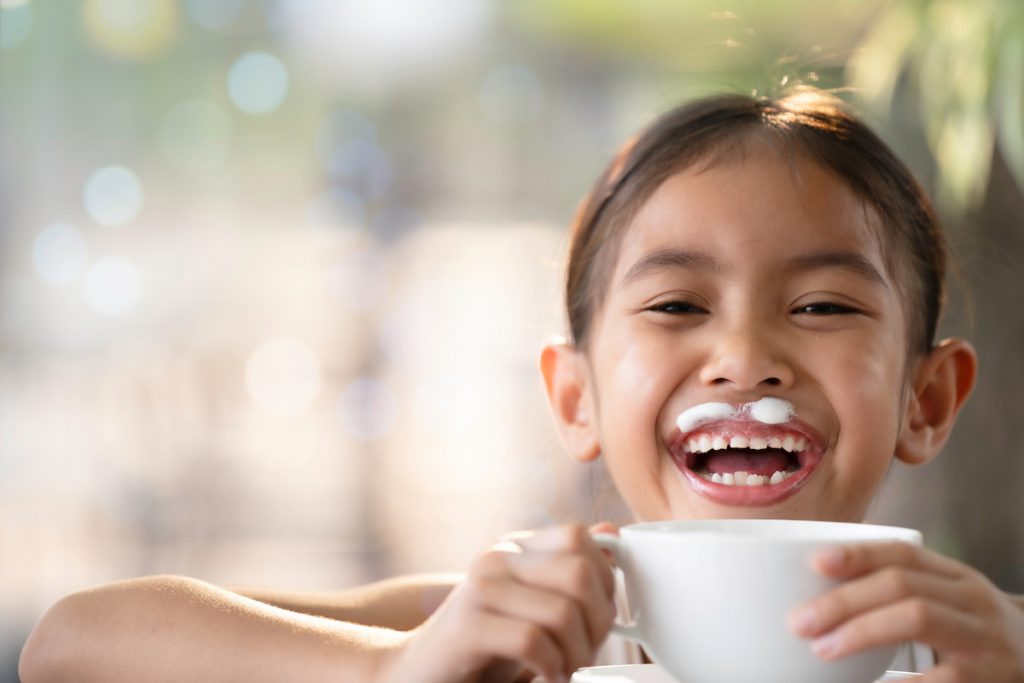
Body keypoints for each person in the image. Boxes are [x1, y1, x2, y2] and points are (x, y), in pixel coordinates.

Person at [19, 87, 1024, 683]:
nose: (744, 357)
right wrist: (395, 667)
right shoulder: (522, 636)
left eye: (820, 307)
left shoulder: (985, 646)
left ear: (924, 400)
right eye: (676, 305)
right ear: (575, 398)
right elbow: (72, 644)